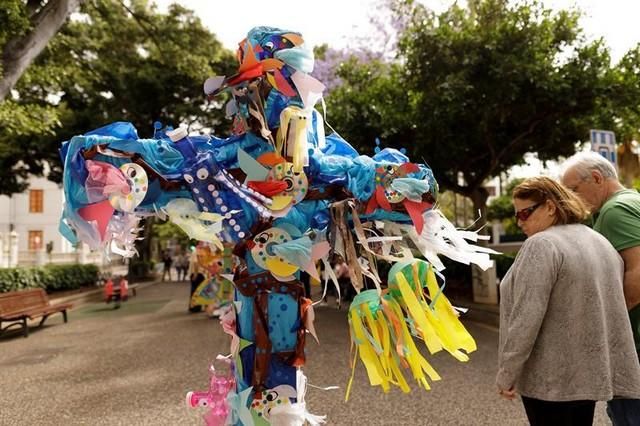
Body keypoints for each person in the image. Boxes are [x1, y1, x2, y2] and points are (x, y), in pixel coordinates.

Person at [497, 176, 640, 425]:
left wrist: (507, 372)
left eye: (525, 213)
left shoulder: (541, 244)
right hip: (589, 377)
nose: (520, 222)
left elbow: (526, 318)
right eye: (517, 215)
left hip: (550, 380)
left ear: (551, 207)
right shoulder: (598, 241)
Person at [562, 151, 640, 424]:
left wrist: (607, 326)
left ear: (596, 178)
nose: (569, 199)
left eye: (572, 190)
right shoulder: (633, 200)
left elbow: (638, 272)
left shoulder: (614, 211)